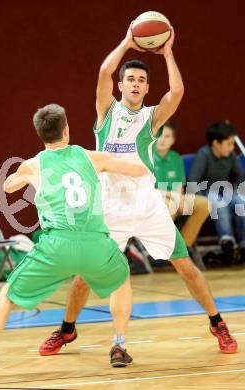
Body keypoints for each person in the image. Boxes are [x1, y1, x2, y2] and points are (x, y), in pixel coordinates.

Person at [39, 23, 237, 357]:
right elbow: (104, 69)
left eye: (142, 80)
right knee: (83, 277)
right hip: (109, 207)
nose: (136, 83)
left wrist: (168, 52)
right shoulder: (107, 112)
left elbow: (176, 93)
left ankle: (218, 323)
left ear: (147, 89)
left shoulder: (151, 118)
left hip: (146, 205)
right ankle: (67, 329)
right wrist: (128, 42)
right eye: (130, 78)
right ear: (121, 85)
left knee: (186, 267)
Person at [0, 103, 148, 377]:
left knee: (7, 297)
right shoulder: (91, 156)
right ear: (66, 130)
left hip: (57, 246)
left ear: (41, 135)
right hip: (95, 243)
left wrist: (24, 176)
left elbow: (8, 186)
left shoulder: (33, 165)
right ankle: (119, 346)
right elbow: (138, 171)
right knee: (121, 279)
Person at [188, 121, 245, 262]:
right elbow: (193, 179)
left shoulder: (230, 155)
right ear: (216, 143)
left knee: (240, 202)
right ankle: (227, 241)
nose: (232, 147)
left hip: (226, 191)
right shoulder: (203, 155)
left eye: (233, 144)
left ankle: (243, 243)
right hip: (208, 193)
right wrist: (201, 200)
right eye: (229, 144)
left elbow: (239, 175)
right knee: (218, 202)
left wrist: (239, 192)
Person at [154, 122, 209, 251]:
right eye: (159, 135)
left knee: (204, 204)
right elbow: (146, 189)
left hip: (175, 196)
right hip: (154, 198)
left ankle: (183, 247)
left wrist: (179, 198)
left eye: (167, 136)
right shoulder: (145, 157)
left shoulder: (175, 158)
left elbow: (179, 184)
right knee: (169, 206)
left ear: (173, 140)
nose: (162, 139)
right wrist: (174, 197)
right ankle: (163, 249)